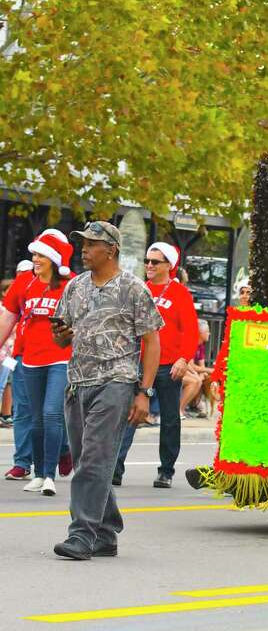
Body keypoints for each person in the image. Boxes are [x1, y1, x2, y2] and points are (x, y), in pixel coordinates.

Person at [48, 221, 163, 560]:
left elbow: (152, 341)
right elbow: (60, 338)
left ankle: (82, 535)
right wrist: (62, 334)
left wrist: (145, 392)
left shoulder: (132, 287)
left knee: (96, 460)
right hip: (78, 381)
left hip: (116, 381)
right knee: (87, 459)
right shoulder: (76, 286)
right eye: (81, 244)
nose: (83, 249)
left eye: (90, 244)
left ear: (111, 249)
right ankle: (107, 532)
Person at [112, 243, 199, 488]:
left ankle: (166, 471)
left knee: (170, 419)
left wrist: (183, 359)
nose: (149, 265)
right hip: (138, 363)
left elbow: (190, 331)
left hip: (169, 365)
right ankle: (115, 468)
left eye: (155, 262)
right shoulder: (139, 289)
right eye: (147, 261)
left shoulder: (180, 294)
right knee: (131, 414)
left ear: (169, 266)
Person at [0, 232, 74, 496]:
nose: (35, 259)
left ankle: (50, 475)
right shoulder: (24, 283)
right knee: (34, 419)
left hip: (61, 359)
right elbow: (8, 319)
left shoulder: (71, 284)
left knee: (52, 413)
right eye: (34, 254)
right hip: (29, 359)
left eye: (41, 255)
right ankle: (39, 473)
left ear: (54, 259)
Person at [1, 260, 36, 480]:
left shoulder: (62, 285)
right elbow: (7, 320)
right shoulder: (18, 291)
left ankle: (62, 450)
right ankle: (22, 463)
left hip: (52, 359)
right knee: (23, 410)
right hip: (20, 356)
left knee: (50, 412)